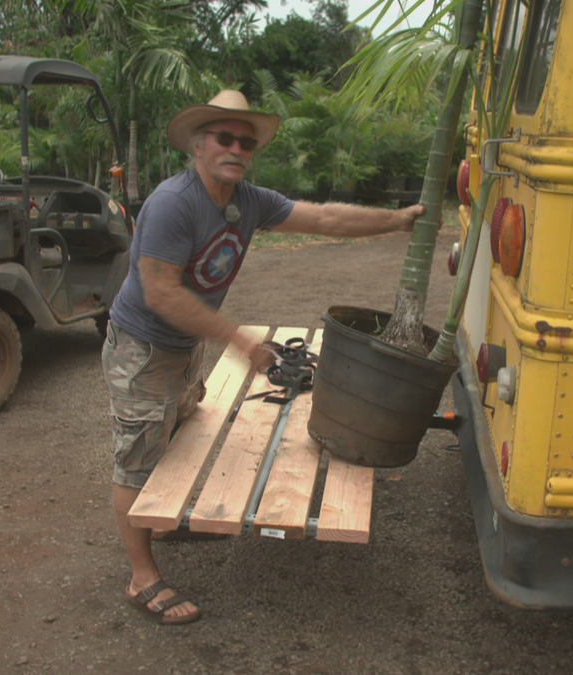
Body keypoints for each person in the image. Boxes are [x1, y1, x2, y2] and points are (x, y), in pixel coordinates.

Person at [102, 90, 424, 625]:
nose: (236, 148)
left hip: (183, 345)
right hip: (142, 347)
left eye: (245, 141)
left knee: (176, 427)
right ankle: (141, 577)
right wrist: (240, 339)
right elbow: (160, 291)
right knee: (136, 458)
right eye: (224, 138)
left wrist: (394, 220)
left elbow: (325, 219)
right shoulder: (172, 203)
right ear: (199, 145)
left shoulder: (249, 200)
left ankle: (162, 521)